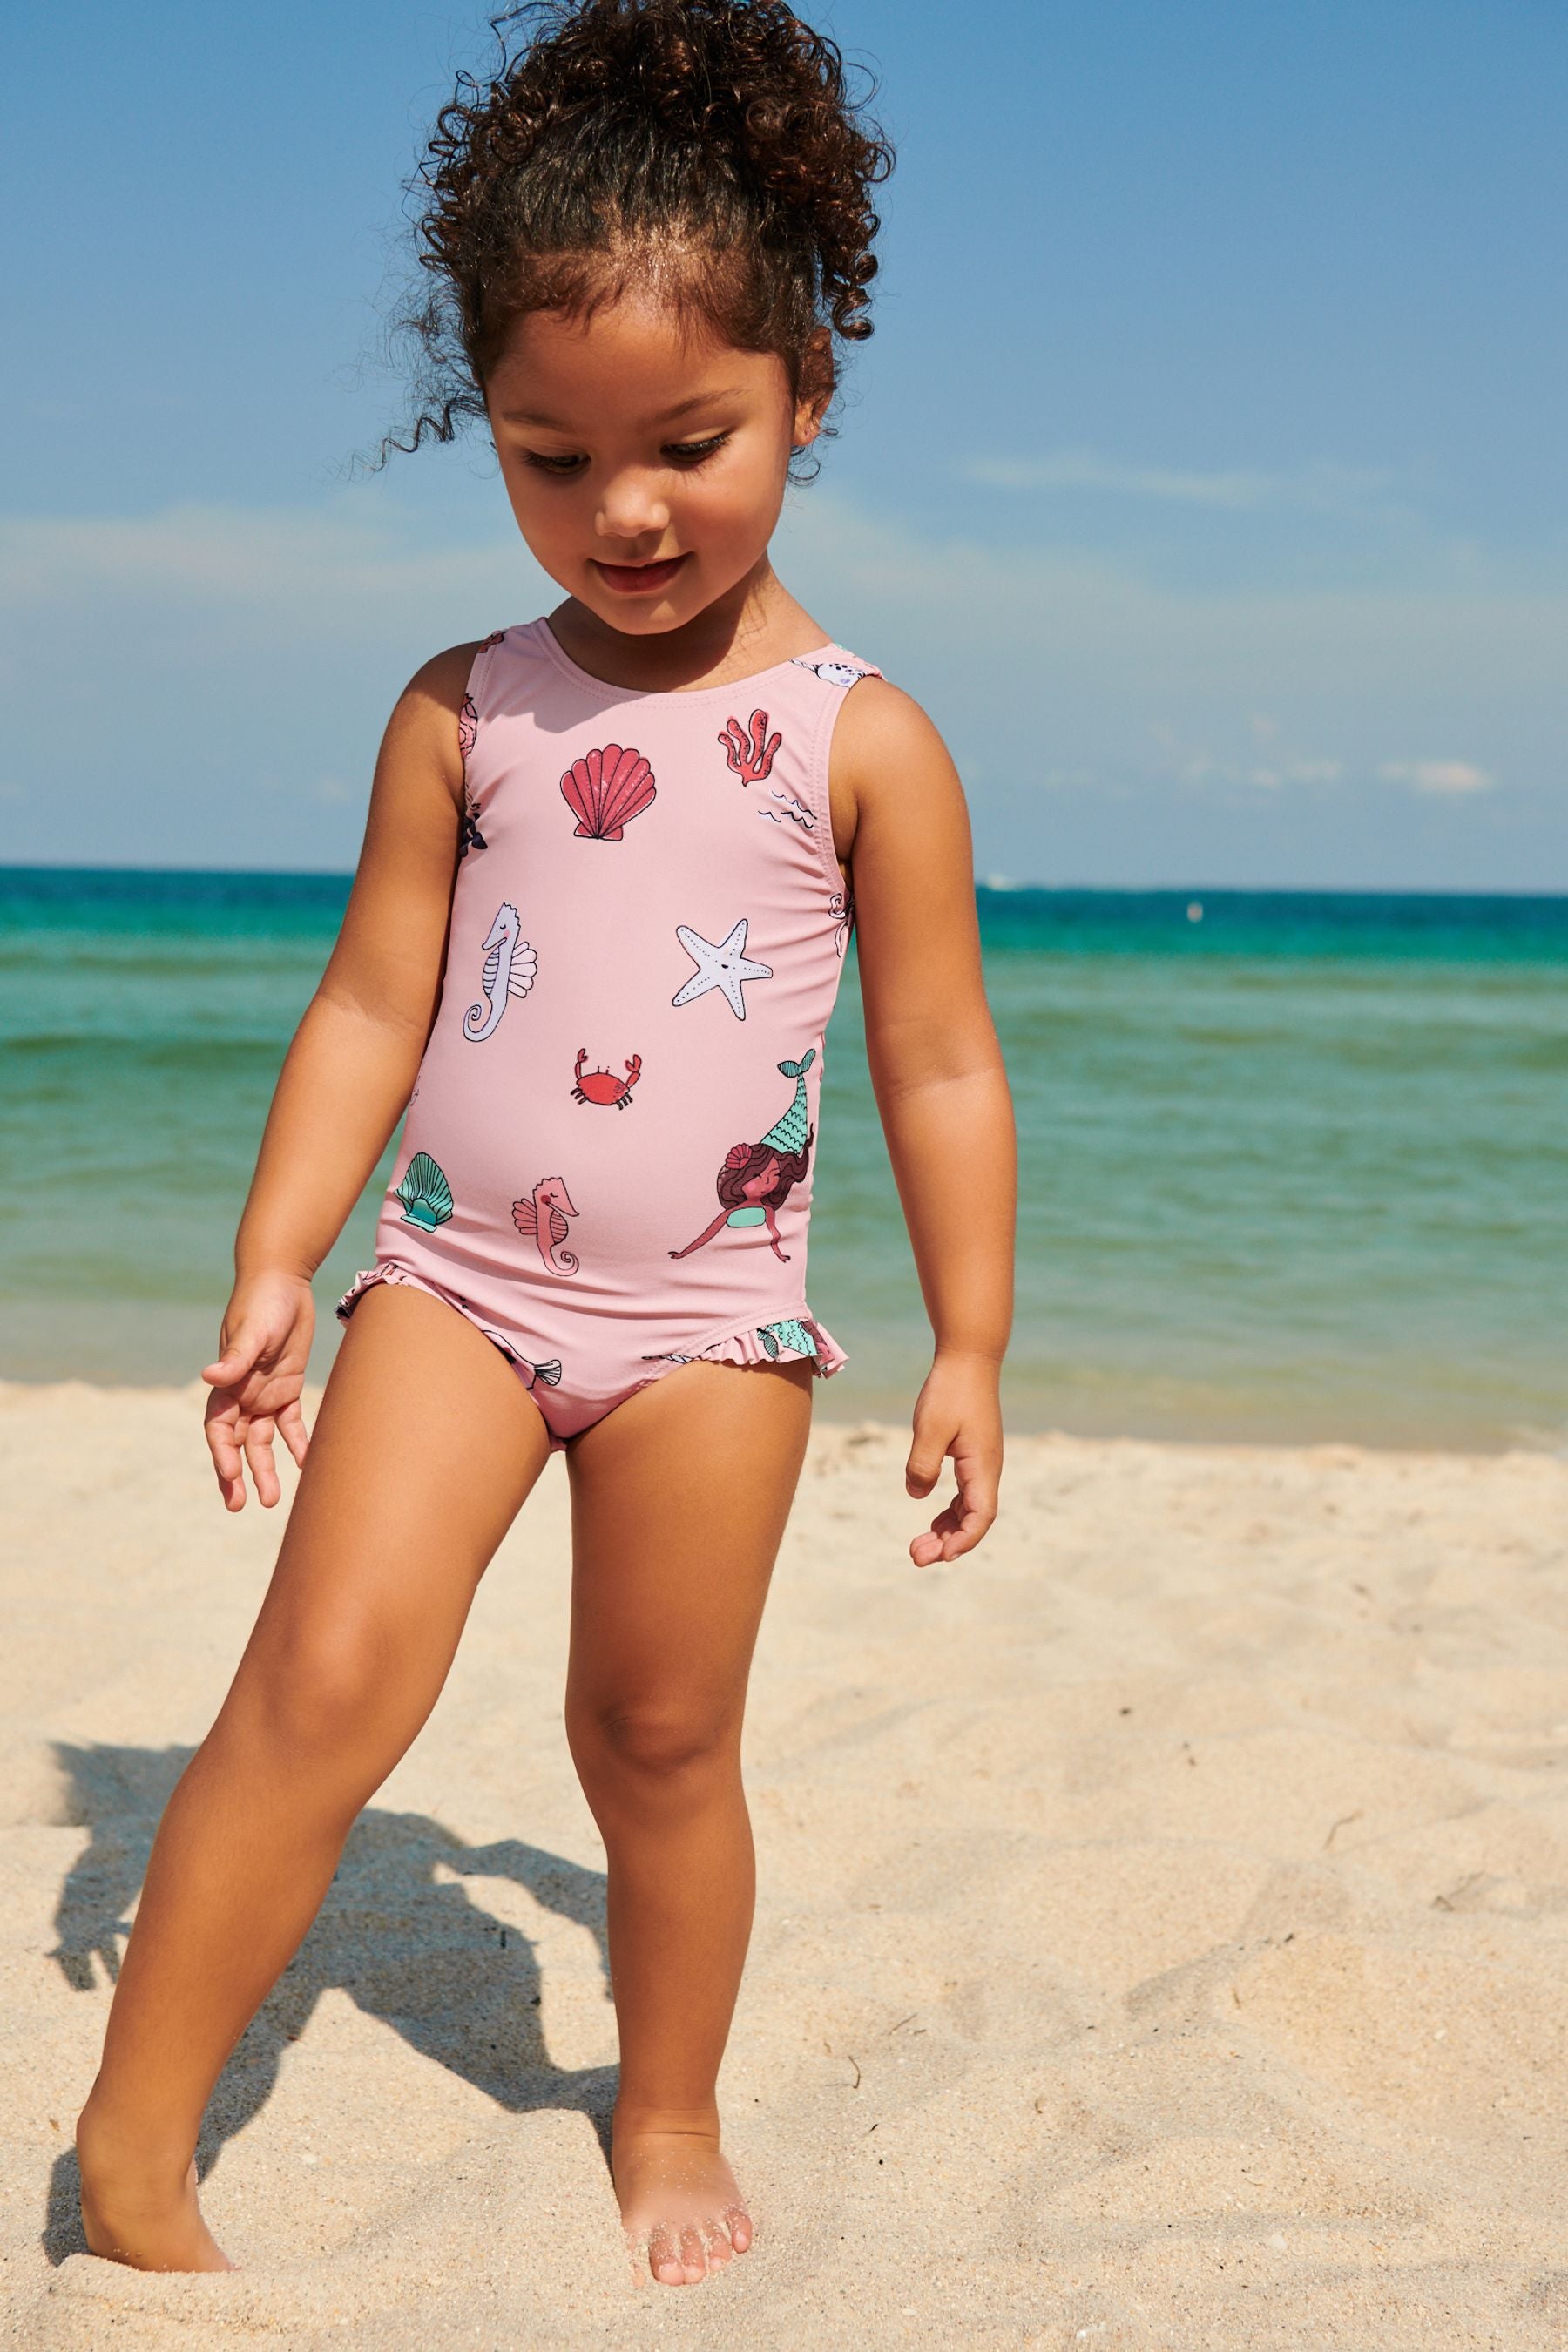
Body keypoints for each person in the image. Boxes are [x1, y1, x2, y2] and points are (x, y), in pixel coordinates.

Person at [74, 0, 1016, 2290]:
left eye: (687, 441)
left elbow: (941, 1061)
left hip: (716, 1324)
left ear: (805, 385)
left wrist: (974, 1341)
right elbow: (374, 1004)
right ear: (484, 431)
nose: (624, 511)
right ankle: (128, 2150)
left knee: (659, 1735)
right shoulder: (463, 707)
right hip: (460, 1287)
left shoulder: (858, 741)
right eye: (545, 455)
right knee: (319, 1679)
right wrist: (279, 1256)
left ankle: (664, 2097)